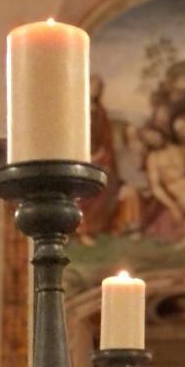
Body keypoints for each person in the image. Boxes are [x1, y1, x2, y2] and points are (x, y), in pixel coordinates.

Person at [79, 75, 120, 244]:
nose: (96, 90)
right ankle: (83, 229)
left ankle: (95, 228)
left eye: (99, 87)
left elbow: (106, 139)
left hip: (99, 157)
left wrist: (102, 155)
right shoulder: (78, 108)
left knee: (106, 185)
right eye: (94, 86)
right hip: (80, 156)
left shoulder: (101, 112)